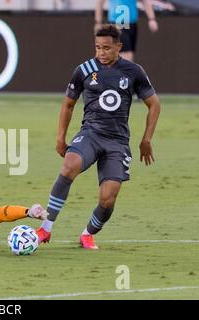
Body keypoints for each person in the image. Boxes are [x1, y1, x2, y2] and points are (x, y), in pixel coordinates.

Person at [36, 24, 160, 249]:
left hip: (118, 142)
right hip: (91, 134)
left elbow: (154, 105)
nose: (101, 53)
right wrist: (60, 138)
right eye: (97, 48)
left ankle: (88, 233)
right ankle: (46, 228)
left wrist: (146, 140)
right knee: (68, 166)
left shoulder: (134, 71)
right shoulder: (84, 70)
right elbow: (68, 104)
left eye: (106, 48)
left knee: (108, 199)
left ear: (119, 47)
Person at [95, 0, 159, 61]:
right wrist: (98, 22)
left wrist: (152, 19)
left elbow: (145, 1)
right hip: (118, 24)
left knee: (127, 54)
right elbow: (100, 2)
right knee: (126, 55)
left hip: (132, 24)